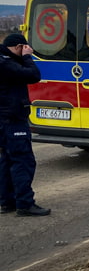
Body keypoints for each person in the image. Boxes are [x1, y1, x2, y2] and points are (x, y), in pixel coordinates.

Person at [0, 33, 51, 216]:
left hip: (5, 119)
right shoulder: (5, 63)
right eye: (24, 47)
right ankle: (24, 203)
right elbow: (33, 75)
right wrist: (28, 57)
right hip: (12, 119)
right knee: (23, 161)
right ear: (18, 47)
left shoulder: (5, 60)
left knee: (7, 160)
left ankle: (7, 201)